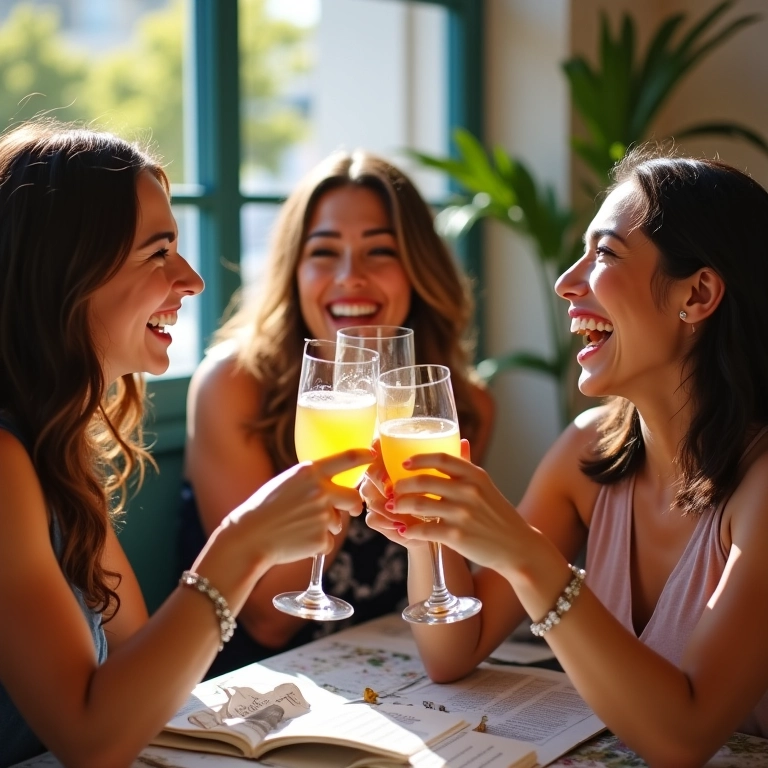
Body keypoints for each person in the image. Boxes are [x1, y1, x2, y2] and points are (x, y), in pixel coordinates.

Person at [362, 149, 768, 767]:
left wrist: (526, 557)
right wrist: (426, 531)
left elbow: (685, 738)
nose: (566, 282)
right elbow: (452, 651)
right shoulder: (588, 450)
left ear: (699, 292)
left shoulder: (762, 485)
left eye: (603, 254)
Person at [0, 120, 372, 768]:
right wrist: (244, 541)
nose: (193, 279)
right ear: (66, 274)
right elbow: (91, 738)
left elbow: (139, 665)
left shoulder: (57, 451)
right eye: (158, 252)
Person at [182, 149, 495, 677]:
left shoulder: (460, 409)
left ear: (418, 270)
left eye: (380, 252)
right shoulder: (232, 386)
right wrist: (348, 462)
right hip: (256, 686)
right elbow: (266, 620)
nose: (351, 276)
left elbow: (441, 598)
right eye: (324, 252)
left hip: (399, 679)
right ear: (294, 271)